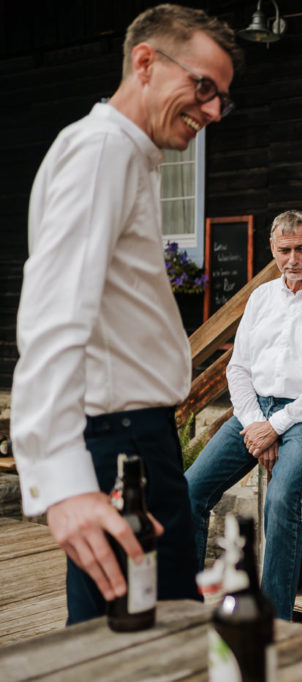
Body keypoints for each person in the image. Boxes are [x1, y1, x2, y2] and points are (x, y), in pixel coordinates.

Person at [10, 4, 240, 625]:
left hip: (138, 441)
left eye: (222, 97)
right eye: (204, 87)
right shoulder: (102, 152)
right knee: (126, 649)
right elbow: (54, 314)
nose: (215, 110)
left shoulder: (123, 155)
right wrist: (63, 483)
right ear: (145, 62)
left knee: (155, 641)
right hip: (120, 446)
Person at [186, 210, 302, 620]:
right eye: (284, 250)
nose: (293, 258)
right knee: (190, 490)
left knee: (281, 499)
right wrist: (255, 425)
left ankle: (275, 619)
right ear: (273, 250)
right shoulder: (262, 297)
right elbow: (238, 368)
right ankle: (186, 607)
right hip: (254, 412)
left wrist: (275, 428)